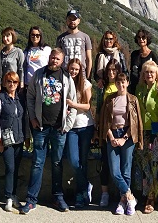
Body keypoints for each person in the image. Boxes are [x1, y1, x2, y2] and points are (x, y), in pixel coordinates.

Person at [22, 48, 77, 214]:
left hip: (59, 129)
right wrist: (32, 118)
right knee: (37, 163)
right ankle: (31, 199)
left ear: (62, 61)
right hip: (40, 127)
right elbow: (30, 97)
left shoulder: (67, 78)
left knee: (57, 163)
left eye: (58, 59)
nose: (54, 61)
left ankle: (58, 197)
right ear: (49, 58)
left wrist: (67, 125)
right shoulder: (39, 75)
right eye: (53, 58)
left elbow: (73, 103)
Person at [99, 72, 144, 216]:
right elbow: (105, 121)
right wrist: (111, 137)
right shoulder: (110, 99)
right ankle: (130, 196)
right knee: (114, 171)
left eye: (123, 82)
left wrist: (125, 138)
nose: (121, 84)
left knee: (126, 170)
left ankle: (122, 201)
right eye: (118, 82)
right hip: (112, 134)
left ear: (127, 82)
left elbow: (136, 123)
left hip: (127, 135)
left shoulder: (132, 99)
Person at [133, 60, 158, 214]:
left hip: (157, 132)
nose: (149, 75)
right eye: (146, 72)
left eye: (152, 72)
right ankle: (147, 193)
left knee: (156, 165)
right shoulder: (139, 88)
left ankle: (152, 196)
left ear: (156, 75)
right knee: (144, 164)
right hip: (143, 131)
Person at [0, 71, 26, 213]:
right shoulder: (0, 98)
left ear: (18, 84)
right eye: (9, 81)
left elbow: (24, 118)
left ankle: (14, 195)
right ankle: (8, 197)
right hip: (6, 139)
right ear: (5, 83)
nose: (12, 84)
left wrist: (27, 138)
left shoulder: (20, 99)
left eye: (15, 82)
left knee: (16, 168)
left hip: (19, 138)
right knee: (10, 168)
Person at [92, 60, 123, 207]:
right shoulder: (102, 88)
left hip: (120, 130)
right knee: (105, 162)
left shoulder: (121, 86)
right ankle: (104, 193)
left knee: (120, 163)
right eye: (109, 70)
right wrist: (97, 129)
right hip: (105, 130)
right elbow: (98, 109)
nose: (111, 73)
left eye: (114, 70)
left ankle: (120, 192)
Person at [65, 58, 95, 209]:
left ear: (80, 70)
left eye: (76, 69)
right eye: (72, 68)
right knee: (74, 160)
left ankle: (80, 194)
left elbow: (88, 105)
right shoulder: (64, 82)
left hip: (85, 126)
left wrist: (73, 105)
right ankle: (86, 186)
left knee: (83, 162)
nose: (74, 71)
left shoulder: (86, 84)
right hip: (71, 127)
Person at [22, 26, 51, 147]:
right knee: (30, 114)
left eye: (37, 35)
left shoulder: (46, 49)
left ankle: (45, 142)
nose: (35, 37)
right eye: (32, 35)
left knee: (44, 112)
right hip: (29, 86)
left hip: (43, 85)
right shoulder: (26, 51)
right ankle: (32, 142)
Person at [56, 9, 94, 80]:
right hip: (65, 75)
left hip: (81, 75)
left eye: (74, 19)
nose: (72, 21)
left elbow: (89, 59)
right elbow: (58, 58)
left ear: (78, 21)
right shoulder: (60, 38)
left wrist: (88, 77)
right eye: (70, 19)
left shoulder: (85, 37)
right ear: (66, 21)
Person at [129, 28, 158, 94]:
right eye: (139, 37)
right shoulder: (134, 54)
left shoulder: (153, 55)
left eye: (143, 37)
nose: (141, 39)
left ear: (147, 39)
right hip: (134, 88)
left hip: (147, 89)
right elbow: (131, 71)